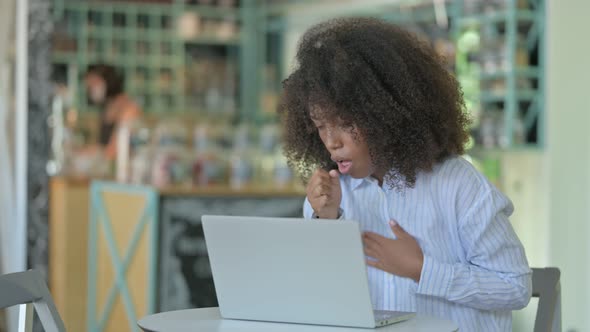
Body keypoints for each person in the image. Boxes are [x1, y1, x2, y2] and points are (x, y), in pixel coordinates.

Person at [277, 17, 531, 331]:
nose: (332, 141)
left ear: (387, 114)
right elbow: (320, 298)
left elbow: (515, 287)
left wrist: (422, 270)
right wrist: (328, 222)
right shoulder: (329, 198)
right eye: (321, 126)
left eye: (346, 124)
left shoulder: (459, 185)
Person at [84, 64, 142, 160]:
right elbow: (101, 146)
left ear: (108, 81)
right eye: (89, 85)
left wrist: (87, 152)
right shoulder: (107, 108)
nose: (91, 89)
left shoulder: (128, 108)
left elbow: (114, 150)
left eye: (94, 83)